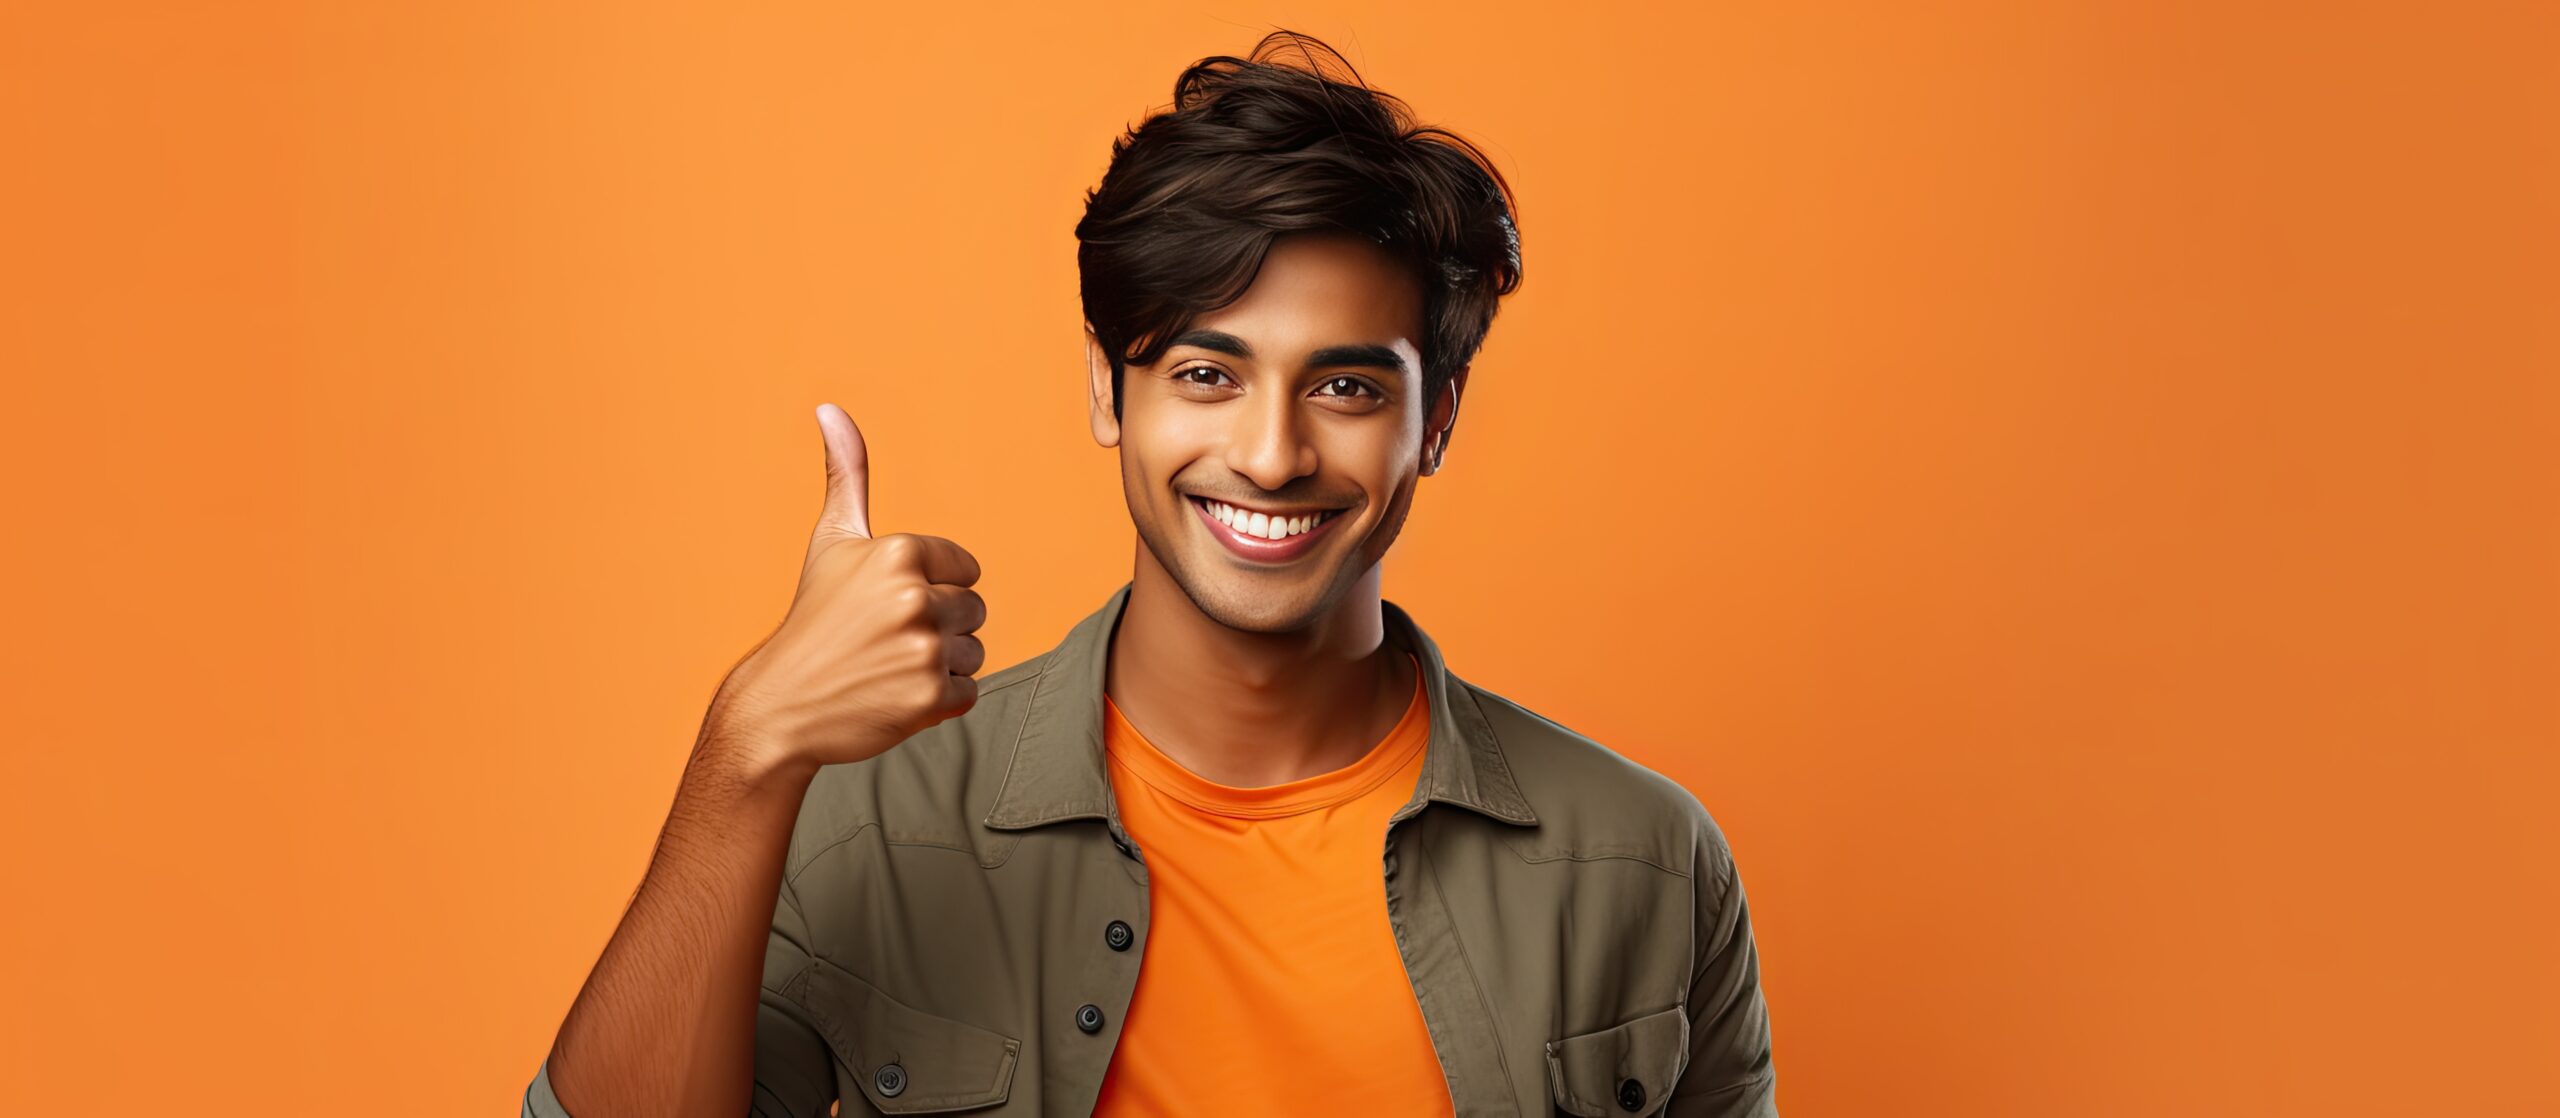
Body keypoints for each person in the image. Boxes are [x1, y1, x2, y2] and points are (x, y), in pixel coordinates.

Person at [526, 29, 1775, 1117]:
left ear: (1434, 419)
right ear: (1105, 386)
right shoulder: (864, 823)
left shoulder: (1648, 862)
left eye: (1346, 386)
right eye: (1206, 373)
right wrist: (747, 746)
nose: (1271, 454)